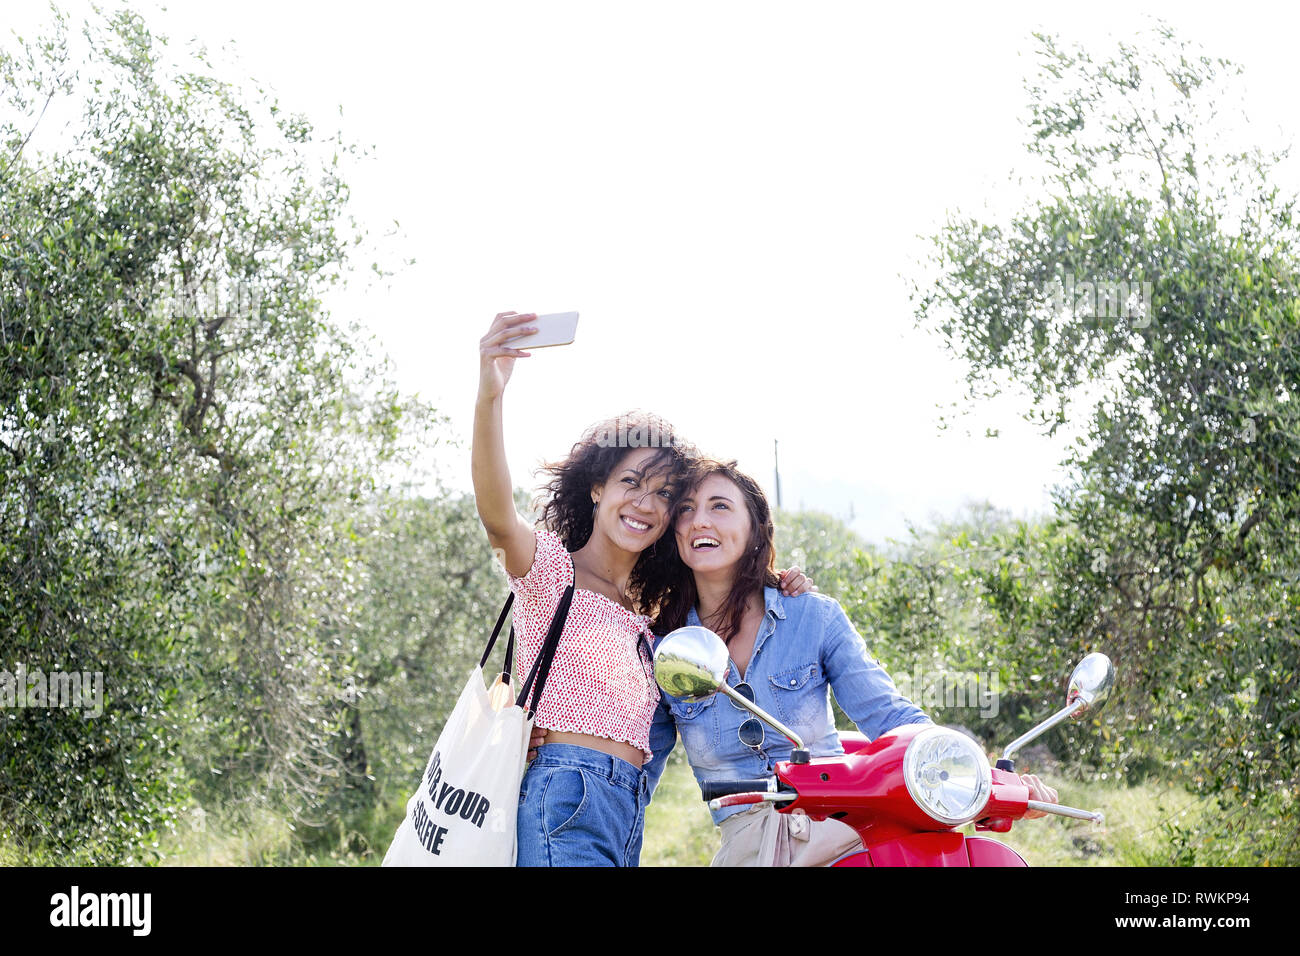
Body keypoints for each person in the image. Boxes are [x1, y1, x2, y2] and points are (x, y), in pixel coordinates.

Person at [474, 313, 811, 866]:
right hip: (564, 793)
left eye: (663, 494)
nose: (645, 504)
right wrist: (490, 394)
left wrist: (778, 583)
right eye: (630, 483)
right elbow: (496, 515)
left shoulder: (651, 612)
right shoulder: (552, 572)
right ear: (597, 487)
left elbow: (723, 582)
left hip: (626, 805)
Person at [644, 458, 1059, 866]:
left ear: (755, 528)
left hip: (840, 836)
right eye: (686, 509)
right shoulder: (665, 648)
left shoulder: (813, 616)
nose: (699, 520)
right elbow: (641, 767)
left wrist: (979, 776)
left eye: (720, 505)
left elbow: (889, 714)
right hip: (745, 848)